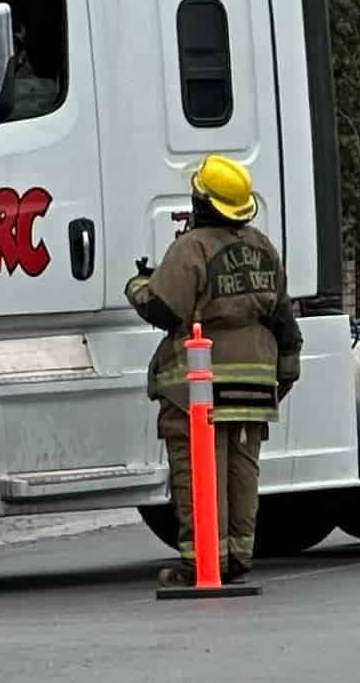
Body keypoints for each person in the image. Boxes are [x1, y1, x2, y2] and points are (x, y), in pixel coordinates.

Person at [127, 154, 299, 586]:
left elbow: (164, 309)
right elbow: (283, 318)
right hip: (256, 381)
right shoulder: (262, 246)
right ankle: (238, 555)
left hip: (199, 388)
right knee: (242, 471)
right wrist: (285, 373)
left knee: (198, 470)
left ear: (202, 201)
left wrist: (138, 286)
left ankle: (201, 562)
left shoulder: (192, 247)